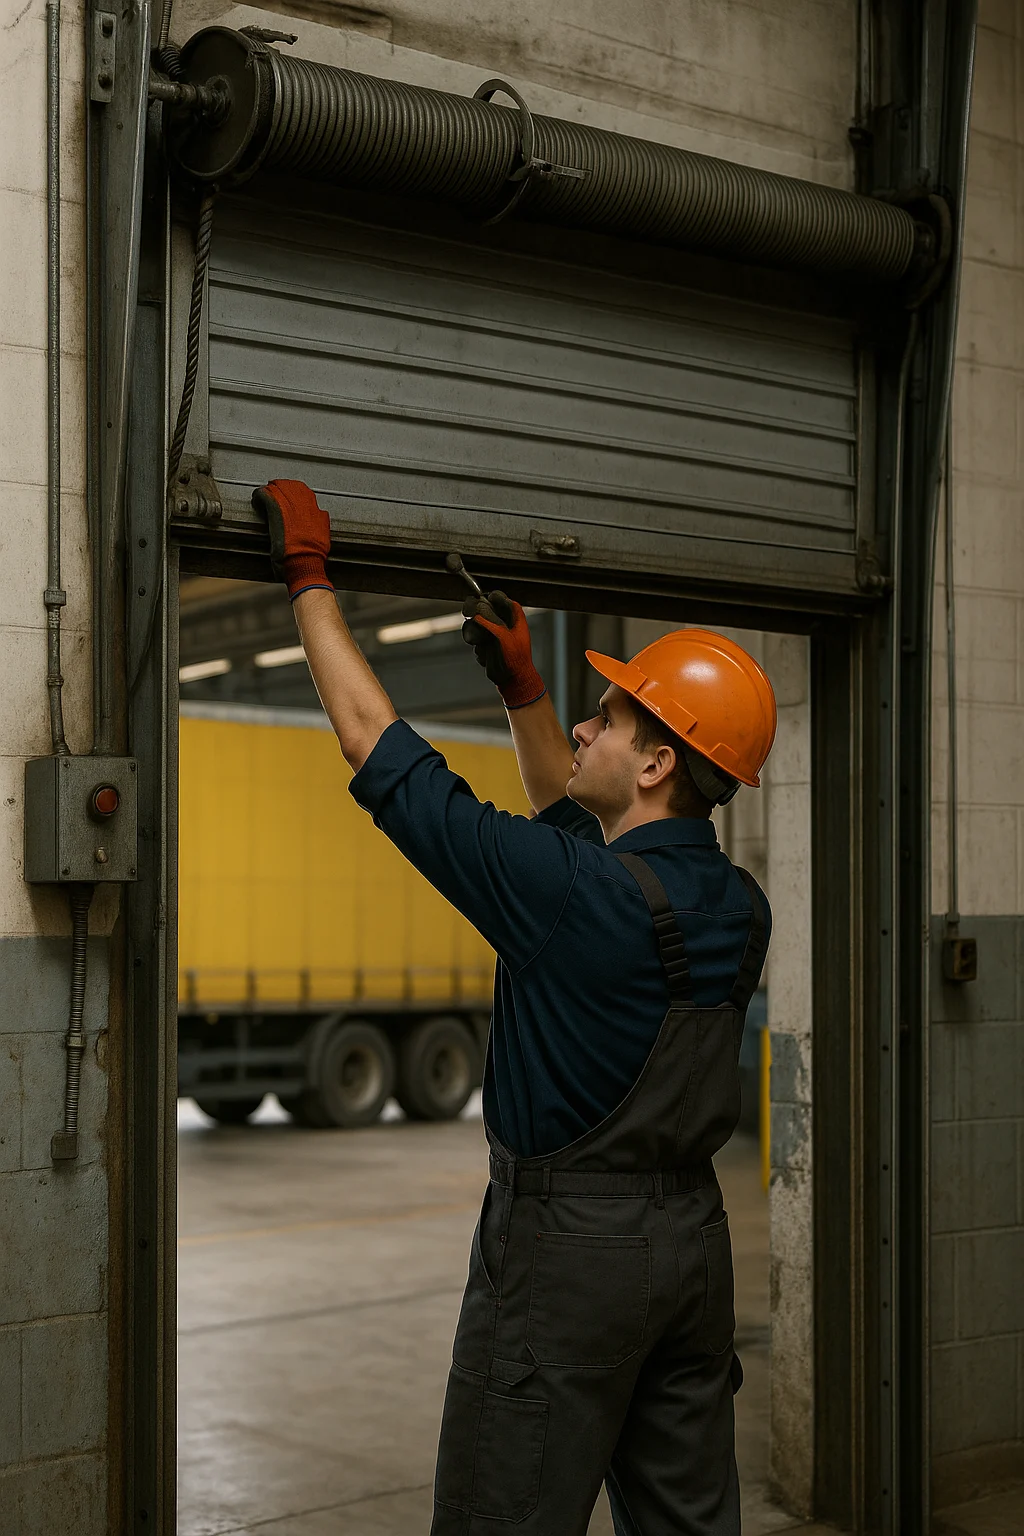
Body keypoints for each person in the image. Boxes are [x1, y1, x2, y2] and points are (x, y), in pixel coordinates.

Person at [252, 478, 778, 1536]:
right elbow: (591, 836)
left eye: (610, 717)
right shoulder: (732, 903)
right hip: (689, 1251)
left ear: (659, 761)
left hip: (565, 1257)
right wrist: (524, 694)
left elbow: (376, 748)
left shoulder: (568, 894)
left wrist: (309, 580)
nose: (585, 725)